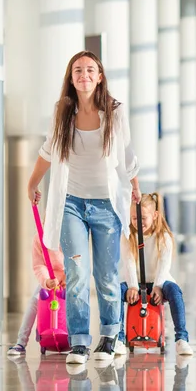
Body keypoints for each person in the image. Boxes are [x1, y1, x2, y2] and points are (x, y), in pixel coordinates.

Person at [27, 51, 141, 364]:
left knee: (106, 275)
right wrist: (32, 182)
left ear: (100, 76)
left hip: (106, 205)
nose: (84, 75)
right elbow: (48, 150)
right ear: (71, 76)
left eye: (91, 70)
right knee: (77, 273)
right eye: (78, 70)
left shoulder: (114, 112)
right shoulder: (62, 111)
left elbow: (127, 154)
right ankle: (79, 341)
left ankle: (109, 335)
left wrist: (134, 187)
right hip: (71, 205)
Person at [119, 193, 194, 355]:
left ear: (155, 216)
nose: (138, 222)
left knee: (175, 291)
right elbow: (129, 262)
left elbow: (164, 265)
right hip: (136, 281)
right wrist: (132, 286)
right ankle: (118, 339)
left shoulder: (164, 237)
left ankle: (181, 338)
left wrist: (159, 287)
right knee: (116, 292)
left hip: (159, 280)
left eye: (143, 218)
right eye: (133, 218)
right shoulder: (128, 236)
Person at [7, 234, 65, 355]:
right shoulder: (41, 237)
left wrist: (68, 277)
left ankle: (79, 342)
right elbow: (39, 265)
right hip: (50, 278)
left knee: (77, 302)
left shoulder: (71, 228)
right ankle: (21, 342)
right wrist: (46, 281)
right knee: (34, 302)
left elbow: (77, 258)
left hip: (69, 279)